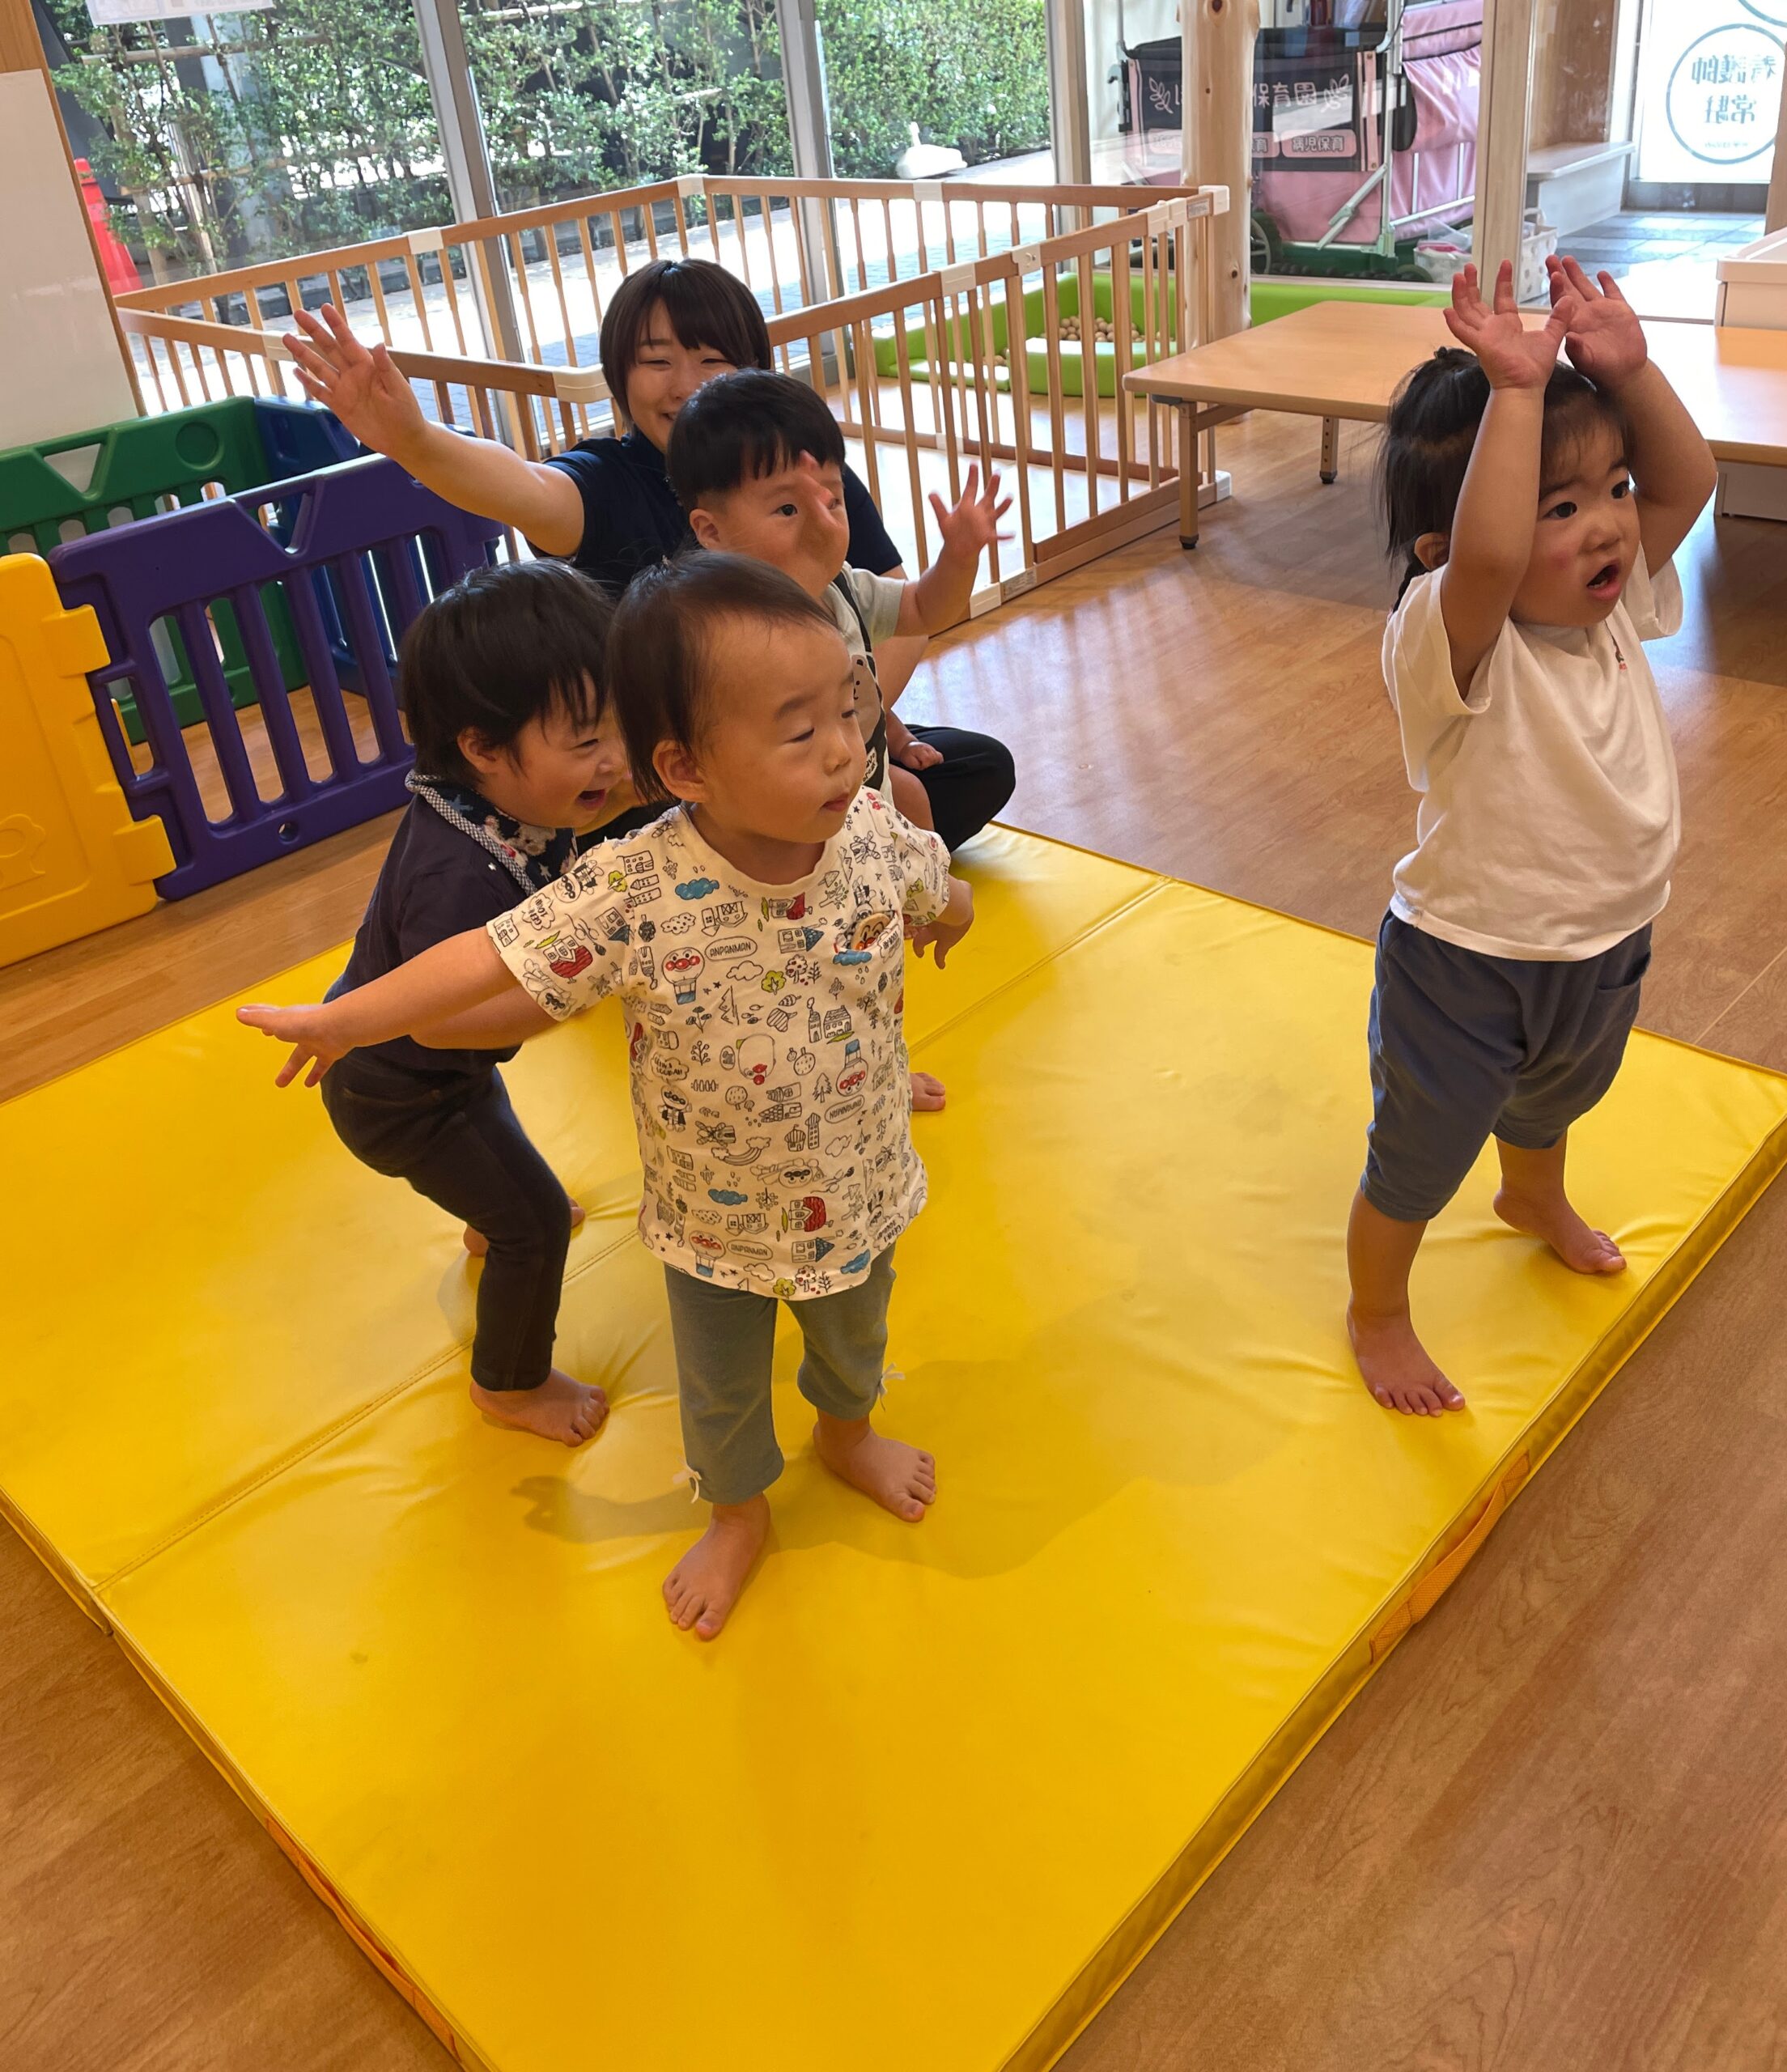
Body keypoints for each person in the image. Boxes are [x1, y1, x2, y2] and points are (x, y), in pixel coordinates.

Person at [239, 555, 977, 1641]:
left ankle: (847, 1434)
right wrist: (348, 1018)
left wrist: (948, 912)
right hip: (712, 1215)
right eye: (796, 728)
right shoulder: (636, 887)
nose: (841, 748)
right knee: (719, 1391)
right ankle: (736, 1513)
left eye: (846, 709)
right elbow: (482, 959)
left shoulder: (863, 829)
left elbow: (932, 880)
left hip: (857, 1184)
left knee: (853, 1341)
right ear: (684, 767)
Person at [282, 257, 1017, 850]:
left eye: (710, 358)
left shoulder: (798, 471)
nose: (685, 383)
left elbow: (903, 607)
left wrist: (849, 730)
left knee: (973, 768)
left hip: (812, 745)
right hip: (669, 776)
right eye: (656, 361)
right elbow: (520, 486)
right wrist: (412, 439)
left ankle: (837, 854)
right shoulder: (606, 481)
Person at [1348, 254, 1717, 1417]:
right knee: (1418, 1156)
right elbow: (1495, 555)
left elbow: (1691, 482)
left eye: (1609, 486)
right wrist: (1516, 394)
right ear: (1437, 554)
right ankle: (1378, 1308)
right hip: (1467, 961)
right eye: (1563, 506)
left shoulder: (1612, 605)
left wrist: (1631, 375)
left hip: (1603, 941)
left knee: (1557, 1097)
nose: (1609, 524)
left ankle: (1531, 1196)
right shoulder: (1457, 634)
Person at [316, 559, 631, 1447]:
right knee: (535, 1221)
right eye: (585, 742)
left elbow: (612, 792)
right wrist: (563, 997)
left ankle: (484, 1219)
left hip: (438, 1076)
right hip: (400, 1091)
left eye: (618, 726)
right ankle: (511, 1383)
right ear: (483, 749)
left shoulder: (496, 796)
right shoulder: (457, 870)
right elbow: (438, 1020)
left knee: (498, 1153)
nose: (611, 759)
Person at [667, 367, 1008, 830]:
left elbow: (927, 608)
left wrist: (958, 558)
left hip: (862, 801)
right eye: (788, 509)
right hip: (787, 831)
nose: (821, 526)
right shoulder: (722, 634)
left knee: (910, 794)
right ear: (712, 531)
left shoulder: (841, 590)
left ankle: (922, 889)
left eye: (831, 501)